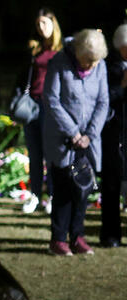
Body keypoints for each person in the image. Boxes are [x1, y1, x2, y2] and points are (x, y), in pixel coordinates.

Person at [43, 29, 109, 256]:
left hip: (88, 140)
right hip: (62, 138)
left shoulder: (100, 66)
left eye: (95, 61)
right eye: (88, 60)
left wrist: (89, 134)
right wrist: (73, 133)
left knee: (83, 189)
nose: (91, 65)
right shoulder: (59, 62)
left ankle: (77, 236)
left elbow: (103, 101)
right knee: (62, 189)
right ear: (77, 51)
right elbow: (51, 99)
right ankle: (58, 239)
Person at [21, 9, 62, 214]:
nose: (41, 28)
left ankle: (53, 195)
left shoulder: (62, 50)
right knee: (34, 153)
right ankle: (35, 195)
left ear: (53, 25)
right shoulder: (34, 49)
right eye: (38, 24)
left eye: (44, 23)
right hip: (33, 104)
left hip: (51, 106)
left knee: (51, 154)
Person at [99, 25, 127, 248]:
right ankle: (110, 234)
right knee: (110, 186)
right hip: (113, 134)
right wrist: (122, 86)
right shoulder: (108, 68)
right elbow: (103, 99)